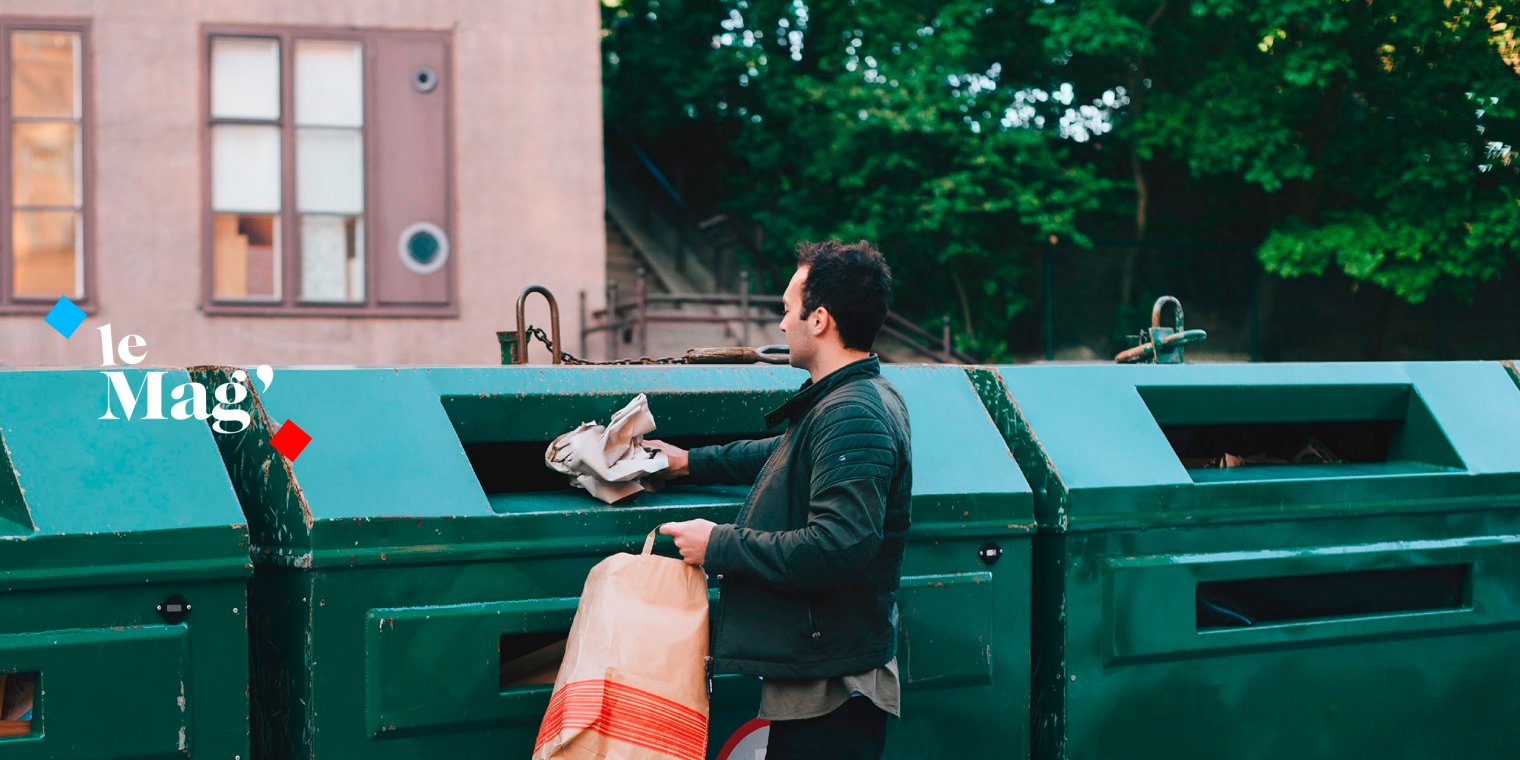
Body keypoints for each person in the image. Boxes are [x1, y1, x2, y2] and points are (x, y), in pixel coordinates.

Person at [647, 240, 912, 760]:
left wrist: (719, 545)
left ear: (819, 320)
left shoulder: (851, 412)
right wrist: (687, 463)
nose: (782, 324)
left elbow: (838, 545)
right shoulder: (852, 398)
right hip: (825, 668)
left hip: (833, 687)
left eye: (788, 309)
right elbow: (782, 453)